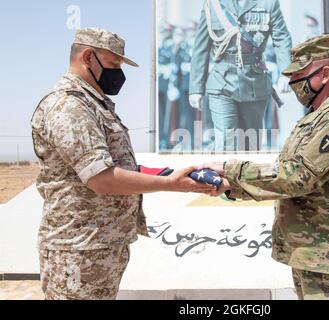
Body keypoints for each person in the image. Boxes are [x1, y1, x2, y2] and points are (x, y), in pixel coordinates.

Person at [31, 28, 215, 300]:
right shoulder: (69, 106)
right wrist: (171, 184)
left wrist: (179, 173)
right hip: (78, 249)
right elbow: (101, 178)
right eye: (114, 64)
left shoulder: (95, 104)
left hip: (100, 244)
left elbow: (121, 167)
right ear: (88, 57)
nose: (119, 73)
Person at [203, 34, 329, 300]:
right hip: (314, 255)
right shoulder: (315, 120)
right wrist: (232, 187)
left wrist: (231, 171)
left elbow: (297, 177)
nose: (293, 82)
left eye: (300, 74)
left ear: (325, 74)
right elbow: (284, 174)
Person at [189, 0, 292, 151]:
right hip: (221, 82)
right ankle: (224, 173)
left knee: (250, 144)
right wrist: (196, 88)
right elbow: (201, 47)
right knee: (225, 142)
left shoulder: (268, 3)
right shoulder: (213, 4)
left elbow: (281, 37)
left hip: (254, 82)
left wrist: (286, 72)